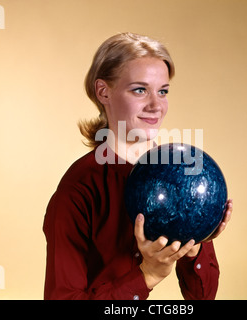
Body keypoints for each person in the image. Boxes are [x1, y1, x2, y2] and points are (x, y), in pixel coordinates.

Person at [43, 32, 233, 300]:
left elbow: (202, 297)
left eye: (163, 91)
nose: (156, 106)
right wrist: (148, 275)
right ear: (103, 91)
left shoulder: (179, 174)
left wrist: (196, 246)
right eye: (140, 90)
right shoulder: (78, 190)